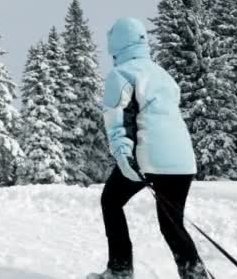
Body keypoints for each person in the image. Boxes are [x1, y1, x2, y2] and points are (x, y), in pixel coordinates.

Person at [88, 18, 209, 279]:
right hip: (182, 160)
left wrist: (123, 156)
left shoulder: (120, 74)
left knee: (111, 201)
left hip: (149, 155)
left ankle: (120, 269)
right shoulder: (161, 74)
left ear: (116, 45)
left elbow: (117, 121)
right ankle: (195, 274)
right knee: (172, 224)